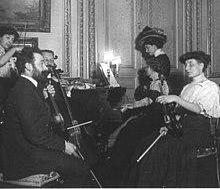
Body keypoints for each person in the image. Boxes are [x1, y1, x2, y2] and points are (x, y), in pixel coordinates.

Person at [123, 51, 220, 188]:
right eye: (185, 65)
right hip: (182, 129)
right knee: (146, 143)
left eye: (191, 65)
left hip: (198, 133)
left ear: (201, 65)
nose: (186, 68)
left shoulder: (210, 87)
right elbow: (180, 114)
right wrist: (168, 127)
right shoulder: (187, 87)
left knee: (160, 150)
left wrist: (175, 98)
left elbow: (198, 110)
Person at [0, 47, 94, 187]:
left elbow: (37, 121)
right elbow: (35, 134)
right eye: (41, 64)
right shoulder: (24, 91)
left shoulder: (30, 86)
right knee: (81, 167)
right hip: (23, 154)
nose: (45, 68)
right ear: (28, 66)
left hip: (29, 147)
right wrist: (64, 145)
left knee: (80, 161)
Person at [104, 58, 170, 187]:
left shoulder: (158, 83)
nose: (146, 69)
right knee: (129, 129)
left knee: (128, 132)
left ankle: (119, 170)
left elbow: (149, 101)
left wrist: (132, 106)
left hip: (155, 120)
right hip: (154, 117)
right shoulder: (157, 82)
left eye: (148, 67)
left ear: (153, 70)